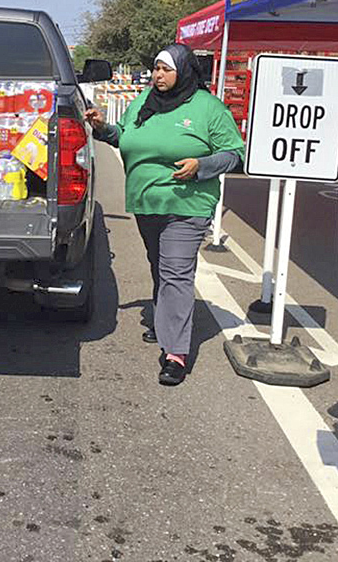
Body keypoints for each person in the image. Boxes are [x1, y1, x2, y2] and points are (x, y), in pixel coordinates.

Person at [87, 43, 244, 386]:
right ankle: (165, 320)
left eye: (165, 69)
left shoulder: (207, 108)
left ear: (184, 71)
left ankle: (175, 352)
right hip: (147, 202)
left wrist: (202, 165)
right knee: (159, 264)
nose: (158, 75)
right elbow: (124, 137)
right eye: (156, 69)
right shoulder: (143, 101)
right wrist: (102, 128)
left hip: (187, 203)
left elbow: (234, 153)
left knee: (175, 271)